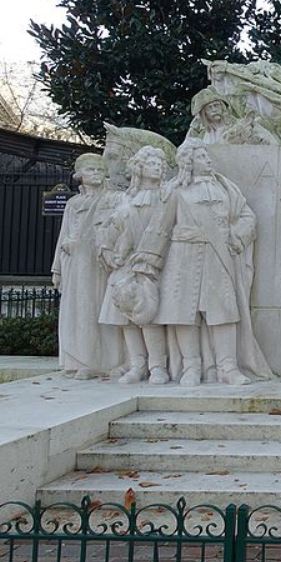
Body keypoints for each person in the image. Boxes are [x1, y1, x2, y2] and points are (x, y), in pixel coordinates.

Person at [135, 140, 274, 386]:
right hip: (182, 256)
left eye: (207, 156)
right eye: (201, 157)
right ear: (189, 162)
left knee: (224, 313)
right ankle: (191, 367)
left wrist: (236, 234)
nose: (208, 160)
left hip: (218, 255)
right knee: (182, 314)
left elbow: (246, 216)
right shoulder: (175, 190)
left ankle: (228, 368)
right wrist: (147, 262)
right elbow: (159, 227)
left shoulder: (225, 188)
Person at [99, 146, 170, 384]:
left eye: (160, 164)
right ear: (139, 168)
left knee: (149, 315)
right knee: (126, 318)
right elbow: (109, 229)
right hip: (126, 264)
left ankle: (158, 366)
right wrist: (109, 253)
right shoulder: (126, 198)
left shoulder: (166, 196)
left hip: (154, 262)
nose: (158, 167)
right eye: (152, 163)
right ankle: (137, 364)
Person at [51, 154, 124, 378]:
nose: (95, 173)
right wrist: (57, 269)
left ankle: (106, 361)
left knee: (101, 309)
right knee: (79, 310)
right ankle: (81, 360)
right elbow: (64, 234)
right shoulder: (73, 203)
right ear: (79, 175)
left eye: (99, 169)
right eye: (90, 169)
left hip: (100, 263)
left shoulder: (114, 199)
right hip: (75, 263)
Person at [186, 87, 278, 145]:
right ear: (204, 113)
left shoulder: (237, 125)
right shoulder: (200, 134)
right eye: (210, 108)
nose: (214, 109)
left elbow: (268, 141)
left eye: (216, 105)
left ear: (222, 107)